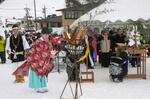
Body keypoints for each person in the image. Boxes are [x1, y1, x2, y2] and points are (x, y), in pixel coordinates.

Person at [13, 27, 54, 93]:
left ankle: (42, 86)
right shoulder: (38, 42)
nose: (47, 36)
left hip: (42, 61)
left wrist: (50, 54)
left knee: (42, 73)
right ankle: (37, 87)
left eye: (48, 34)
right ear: (42, 34)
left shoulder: (47, 42)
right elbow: (36, 51)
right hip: (35, 61)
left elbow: (47, 51)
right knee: (36, 73)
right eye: (45, 34)